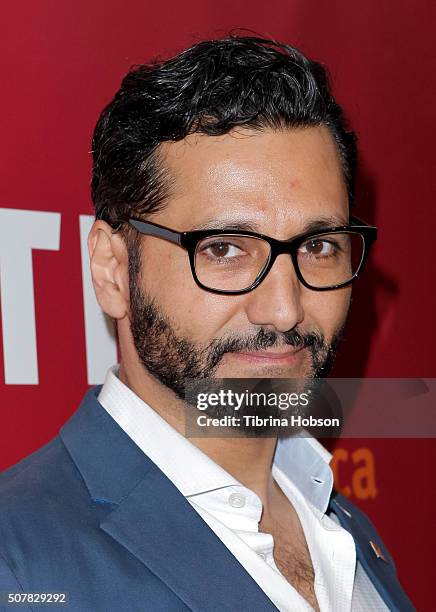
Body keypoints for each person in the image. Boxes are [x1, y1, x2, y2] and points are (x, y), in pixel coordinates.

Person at [0, 36, 414, 611]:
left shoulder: (345, 532)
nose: (284, 309)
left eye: (318, 245)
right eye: (224, 250)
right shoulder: (18, 566)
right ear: (113, 270)